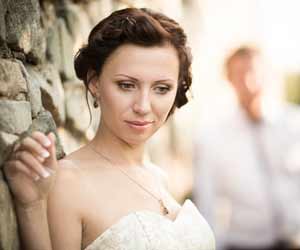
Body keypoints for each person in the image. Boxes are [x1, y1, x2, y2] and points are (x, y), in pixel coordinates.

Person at [3, 8, 215, 250]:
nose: (143, 106)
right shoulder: (67, 182)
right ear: (95, 83)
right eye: (126, 85)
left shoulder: (159, 177)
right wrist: (30, 208)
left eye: (162, 88)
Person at [193, 46, 300, 250]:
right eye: (239, 74)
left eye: (255, 72)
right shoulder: (212, 138)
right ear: (229, 80)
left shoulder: (295, 125)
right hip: (244, 244)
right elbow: (207, 203)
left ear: (269, 75)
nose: (249, 83)